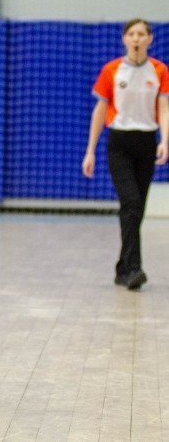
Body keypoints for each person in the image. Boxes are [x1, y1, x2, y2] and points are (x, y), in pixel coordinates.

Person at [82, 18, 169, 290]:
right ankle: (133, 269)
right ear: (124, 39)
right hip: (119, 143)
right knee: (130, 202)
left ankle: (122, 267)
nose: (136, 38)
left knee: (136, 209)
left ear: (150, 39)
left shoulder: (159, 70)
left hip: (146, 141)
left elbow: (164, 107)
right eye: (131, 34)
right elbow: (100, 111)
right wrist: (90, 151)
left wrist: (164, 140)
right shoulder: (112, 70)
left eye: (141, 34)